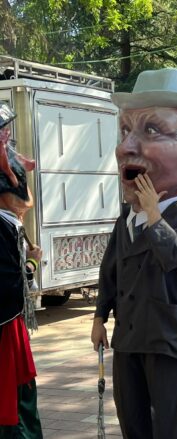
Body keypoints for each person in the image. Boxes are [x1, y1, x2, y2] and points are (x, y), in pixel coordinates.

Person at [90, 68, 177, 439]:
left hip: (168, 338)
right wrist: (100, 316)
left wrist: (155, 215)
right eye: (125, 131)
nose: (125, 147)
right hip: (129, 335)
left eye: (151, 130)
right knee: (132, 417)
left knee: (167, 421)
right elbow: (112, 269)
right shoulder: (127, 218)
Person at [0, 102, 43, 438]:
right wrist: (30, 264)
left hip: (8, 319)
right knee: (14, 396)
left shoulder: (9, 226)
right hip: (4, 325)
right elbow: (9, 282)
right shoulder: (3, 228)